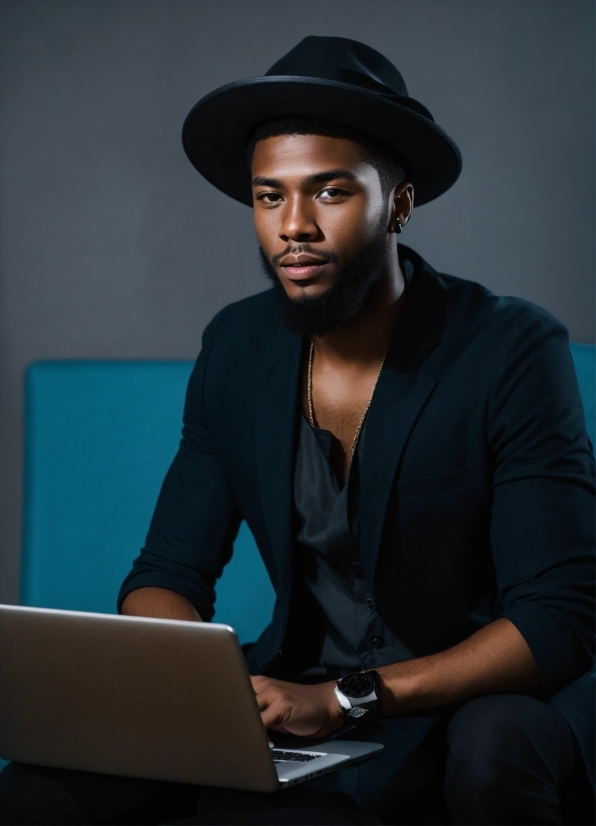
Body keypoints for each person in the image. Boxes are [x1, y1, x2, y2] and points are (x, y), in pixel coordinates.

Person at [1, 35, 594, 826]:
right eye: (270, 196)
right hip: (293, 684)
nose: (295, 227)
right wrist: (211, 697)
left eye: (331, 192)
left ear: (401, 204)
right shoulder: (237, 348)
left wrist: (348, 698)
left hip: (467, 696)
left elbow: (560, 616)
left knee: (494, 750)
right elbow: (165, 576)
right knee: (40, 789)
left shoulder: (512, 348)